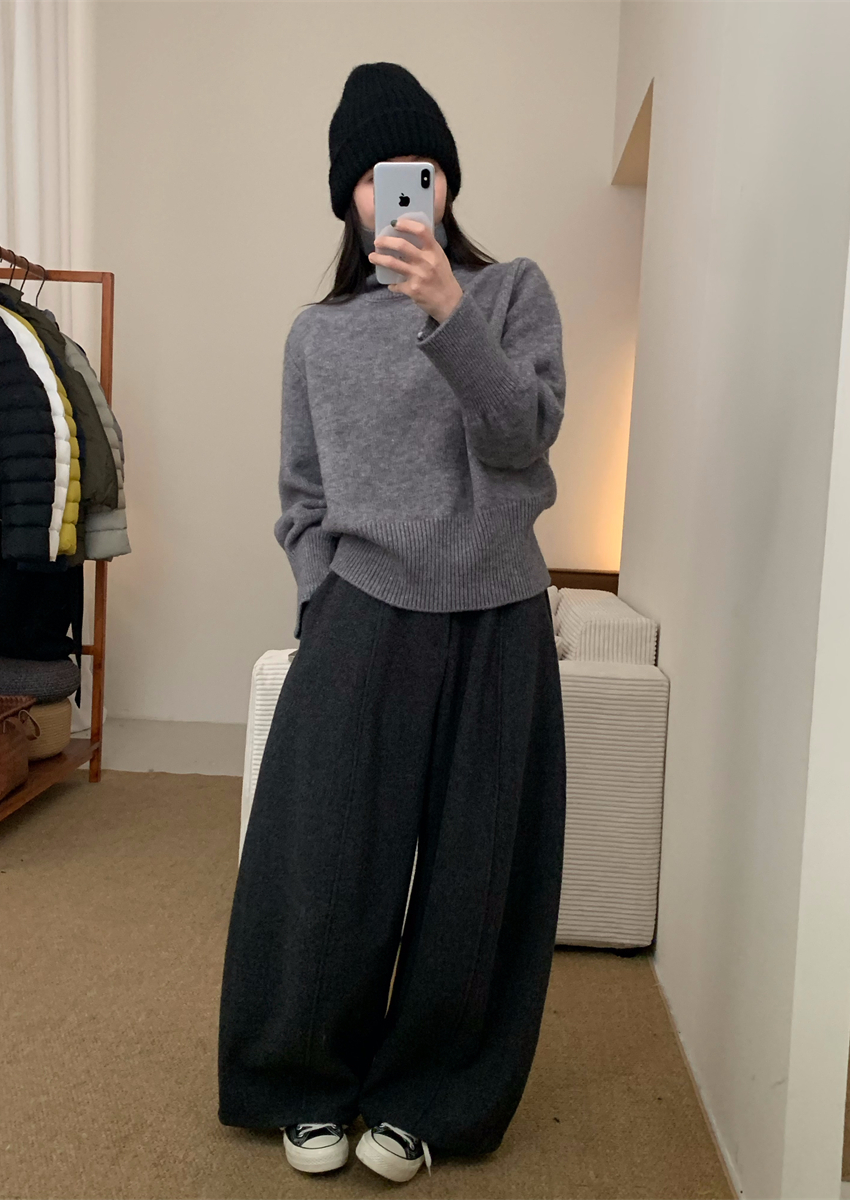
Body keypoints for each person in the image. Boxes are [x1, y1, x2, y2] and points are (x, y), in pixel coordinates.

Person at [217, 61, 568, 1184]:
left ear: (447, 181)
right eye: (372, 176)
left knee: (479, 877)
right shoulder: (315, 335)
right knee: (321, 860)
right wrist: (322, 595)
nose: (397, 190)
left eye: (417, 168)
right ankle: (300, 1080)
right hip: (363, 609)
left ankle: (430, 1095)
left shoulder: (510, 293)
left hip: (499, 610)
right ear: (348, 199)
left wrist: (450, 314)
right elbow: (301, 495)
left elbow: (521, 438)